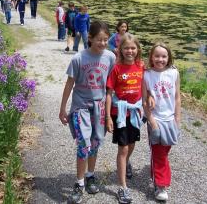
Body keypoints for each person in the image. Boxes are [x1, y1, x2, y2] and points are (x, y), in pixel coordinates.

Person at [59, 21, 116, 204]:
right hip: (80, 106)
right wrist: (63, 109)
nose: (102, 43)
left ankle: (91, 175)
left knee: (95, 142)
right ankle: (79, 183)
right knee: (83, 143)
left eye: (106, 40)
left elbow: (110, 88)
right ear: (90, 38)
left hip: (99, 107)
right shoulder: (78, 58)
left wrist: (109, 114)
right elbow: (69, 84)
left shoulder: (110, 57)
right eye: (99, 39)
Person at [105, 33, 148, 204]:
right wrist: (108, 117)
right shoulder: (116, 69)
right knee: (122, 149)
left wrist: (148, 101)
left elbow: (147, 86)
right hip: (120, 113)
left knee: (131, 145)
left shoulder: (141, 67)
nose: (129, 51)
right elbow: (109, 93)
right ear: (120, 50)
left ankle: (126, 162)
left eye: (132, 48)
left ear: (137, 49)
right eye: (126, 48)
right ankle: (123, 187)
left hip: (135, 113)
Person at [142, 42, 181, 202]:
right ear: (151, 57)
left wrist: (177, 119)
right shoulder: (147, 74)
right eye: (157, 56)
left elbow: (177, 97)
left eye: (164, 56)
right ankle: (161, 185)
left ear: (168, 57)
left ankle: (156, 174)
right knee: (159, 155)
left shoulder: (174, 73)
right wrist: (151, 121)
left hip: (170, 119)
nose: (160, 59)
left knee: (164, 151)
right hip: (156, 120)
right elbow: (145, 100)